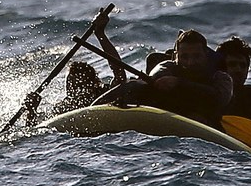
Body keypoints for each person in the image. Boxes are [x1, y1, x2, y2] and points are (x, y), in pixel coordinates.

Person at [94, 29, 232, 127]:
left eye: (196, 56)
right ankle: (93, 111)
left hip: (205, 125)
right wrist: (162, 82)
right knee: (134, 85)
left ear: (205, 56)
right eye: (184, 57)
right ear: (176, 56)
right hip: (164, 119)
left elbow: (219, 99)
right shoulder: (168, 67)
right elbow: (156, 75)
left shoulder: (221, 78)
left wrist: (180, 83)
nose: (190, 62)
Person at [24, 11, 126, 125]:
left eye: (79, 84)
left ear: (93, 84)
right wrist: (31, 111)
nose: (74, 90)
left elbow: (120, 74)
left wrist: (100, 34)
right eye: (70, 84)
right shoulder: (64, 108)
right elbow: (35, 128)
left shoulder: (103, 95)